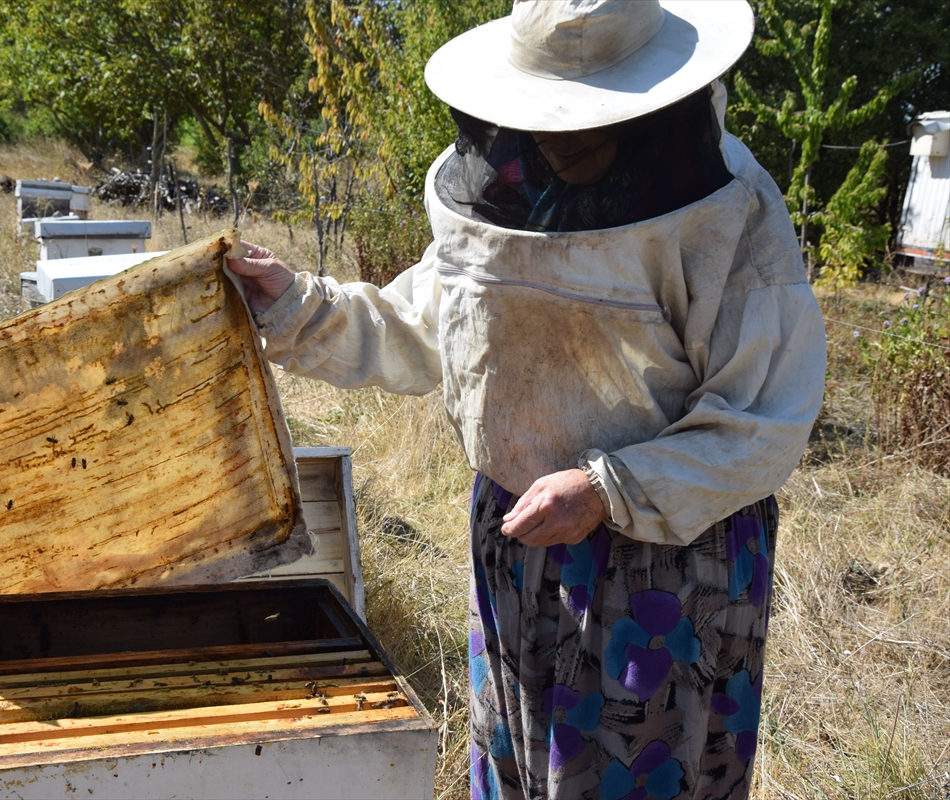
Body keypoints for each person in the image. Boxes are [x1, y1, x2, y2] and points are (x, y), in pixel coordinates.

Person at [229, 1, 827, 798]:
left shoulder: (731, 210)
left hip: (669, 567)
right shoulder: (501, 197)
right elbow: (425, 323)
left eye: (584, 116)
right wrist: (297, 303)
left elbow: (764, 418)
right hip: (517, 546)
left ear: (651, 106)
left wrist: (611, 488)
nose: (552, 135)